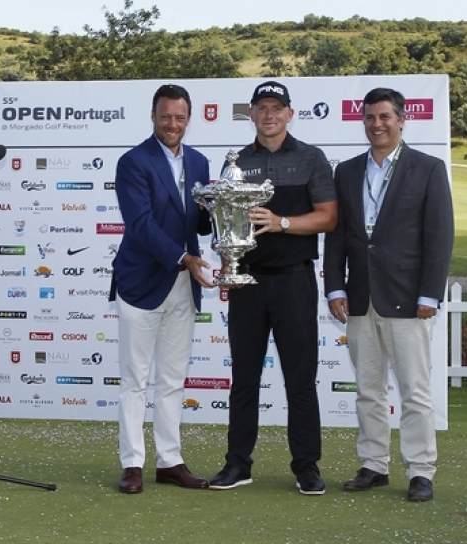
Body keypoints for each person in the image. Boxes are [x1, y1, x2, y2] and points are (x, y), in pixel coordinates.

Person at [323, 87, 454, 502]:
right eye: (370, 117)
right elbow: (338, 236)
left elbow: (439, 236)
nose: (377, 124)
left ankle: (420, 471)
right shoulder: (345, 171)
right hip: (359, 297)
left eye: (384, 117)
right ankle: (373, 465)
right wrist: (335, 285)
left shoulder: (428, 168)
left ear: (401, 119)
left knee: (414, 390)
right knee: (368, 388)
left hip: (407, 297)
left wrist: (430, 294)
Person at [208, 80, 337, 495]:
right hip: (246, 282)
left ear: (289, 114)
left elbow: (328, 218)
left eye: (276, 108)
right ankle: (237, 464)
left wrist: (281, 222)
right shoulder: (236, 162)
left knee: (301, 380)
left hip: (295, 281)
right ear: (252, 114)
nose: (269, 115)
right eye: (261, 107)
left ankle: (306, 466)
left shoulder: (312, 158)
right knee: (244, 378)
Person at [111, 83, 215, 494]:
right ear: (153, 116)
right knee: (135, 380)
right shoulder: (133, 162)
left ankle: (169, 460)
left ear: (189, 119)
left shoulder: (201, 161)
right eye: (166, 116)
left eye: (180, 117)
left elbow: (201, 223)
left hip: (183, 286)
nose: (173, 124)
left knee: (173, 379)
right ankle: (132, 463)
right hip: (141, 282)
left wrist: (218, 215)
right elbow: (140, 225)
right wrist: (184, 258)